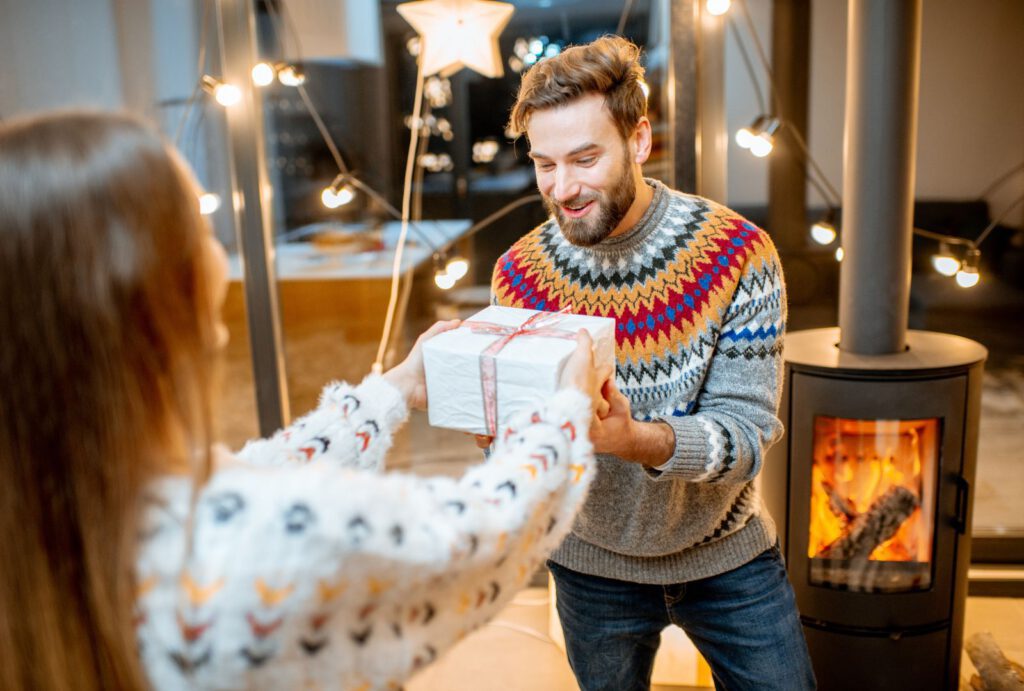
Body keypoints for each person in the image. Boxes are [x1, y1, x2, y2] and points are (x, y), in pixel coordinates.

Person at [0, 111, 609, 691]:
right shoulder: (256, 556)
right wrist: (562, 411)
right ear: (150, 292)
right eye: (201, 228)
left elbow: (259, 473)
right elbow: (482, 539)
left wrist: (394, 388)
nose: (218, 252)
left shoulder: (59, 517)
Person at [489, 36, 816, 690]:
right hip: (588, 566)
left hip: (728, 558)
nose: (563, 187)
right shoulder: (518, 274)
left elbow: (749, 438)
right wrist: (503, 439)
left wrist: (635, 440)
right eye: (545, 164)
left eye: (585, 158)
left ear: (639, 141)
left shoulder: (738, 254)